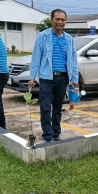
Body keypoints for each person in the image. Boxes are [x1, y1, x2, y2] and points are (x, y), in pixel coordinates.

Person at [28, 9, 79, 143]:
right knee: (45, 107)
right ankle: (47, 135)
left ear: (65, 22)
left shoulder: (69, 39)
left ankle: (56, 133)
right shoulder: (43, 36)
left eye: (63, 20)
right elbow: (36, 58)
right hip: (46, 78)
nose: (60, 22)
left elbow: (73, 60)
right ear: (52, 20)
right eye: (57, 19)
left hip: (62, 78)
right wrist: (32, 77)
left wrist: (75, 79)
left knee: (57, 108)